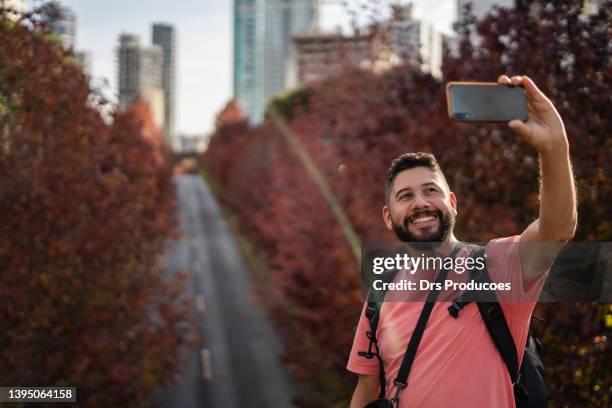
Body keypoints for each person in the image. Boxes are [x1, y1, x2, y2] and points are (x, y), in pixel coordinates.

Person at [347, 75, 577, 407]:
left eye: (431, 191)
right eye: (405, 196)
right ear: (388, 216)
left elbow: (557, 230)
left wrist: (554, 147)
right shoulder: (379, 293)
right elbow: (366, 391)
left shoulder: (496, 268)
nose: (420, 203)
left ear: (452, 203)